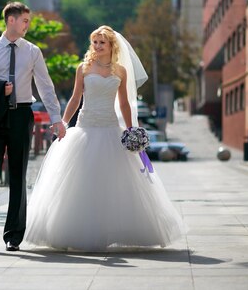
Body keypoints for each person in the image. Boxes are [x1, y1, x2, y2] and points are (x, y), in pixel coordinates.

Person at [25, 26, 185, 252]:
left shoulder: (120, 71)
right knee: (81, 180)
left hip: (110, 128)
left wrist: (131, 131)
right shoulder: (83, 68)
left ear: (112, 46)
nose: (98, 46)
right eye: (95, 42)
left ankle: (112, 231)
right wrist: (62, 122)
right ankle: (74, 232)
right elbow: (75, 98)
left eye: (102, 43)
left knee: (114, 182)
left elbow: (124, 104)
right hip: (85, 128)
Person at [0, 1, 66, 252]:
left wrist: (56, 118)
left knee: (18, 176)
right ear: (11, 20)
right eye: (25, 20)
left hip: (22, 114)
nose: (27, 25)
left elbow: (45, 85)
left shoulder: (33, 51)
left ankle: (14, 236)